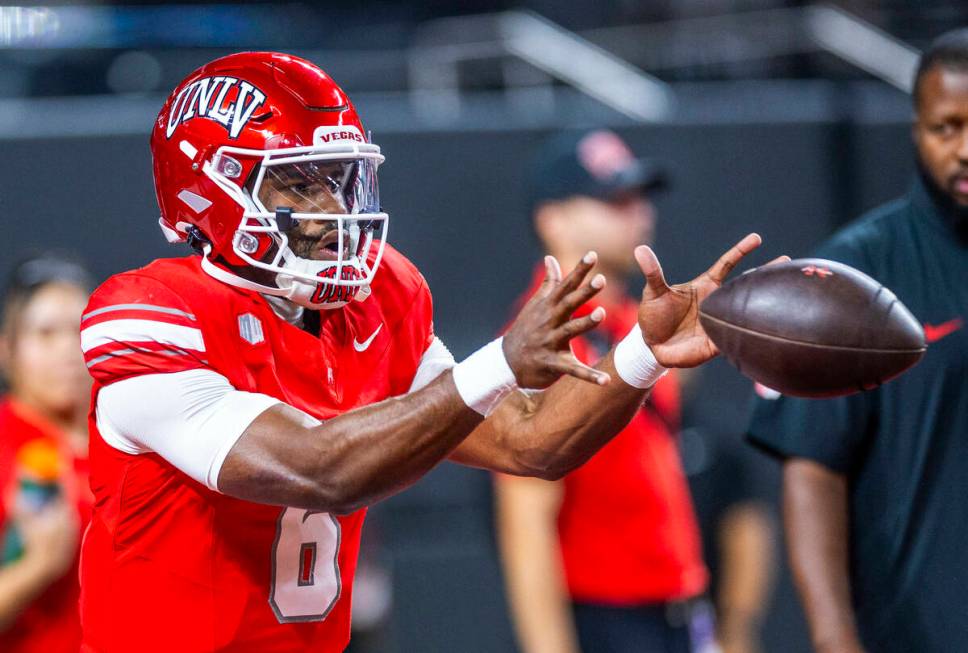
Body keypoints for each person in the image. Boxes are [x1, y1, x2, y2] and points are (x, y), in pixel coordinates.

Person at [80, 52, 769, 653]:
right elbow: (316, 468)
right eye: (298, 182)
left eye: (335, 177)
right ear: (213, 186)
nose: (331, 207)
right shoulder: (154, 316)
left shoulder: (376, 298)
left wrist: (642, 352)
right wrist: (499, 360)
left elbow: (531, 440)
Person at [495, 130, 770, 653]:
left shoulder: (627, 322)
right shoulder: (541, 341)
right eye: (613, 200)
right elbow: (525, 526)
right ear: (552, 220)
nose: (639, 213)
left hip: (678, 614)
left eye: (639, 197)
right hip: (609, 621)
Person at [747, 28, 968, 653]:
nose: (965, 149)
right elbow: (814, 469)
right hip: (916, 631)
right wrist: (833, 634)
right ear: (916, 131)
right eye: (946, 127)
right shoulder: (858, 274)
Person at [0, 255, 93, 653]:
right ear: (7, 348)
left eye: (80, 331)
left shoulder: (124, 442)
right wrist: (34, 567)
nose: (68, 351)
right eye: (46, 333)